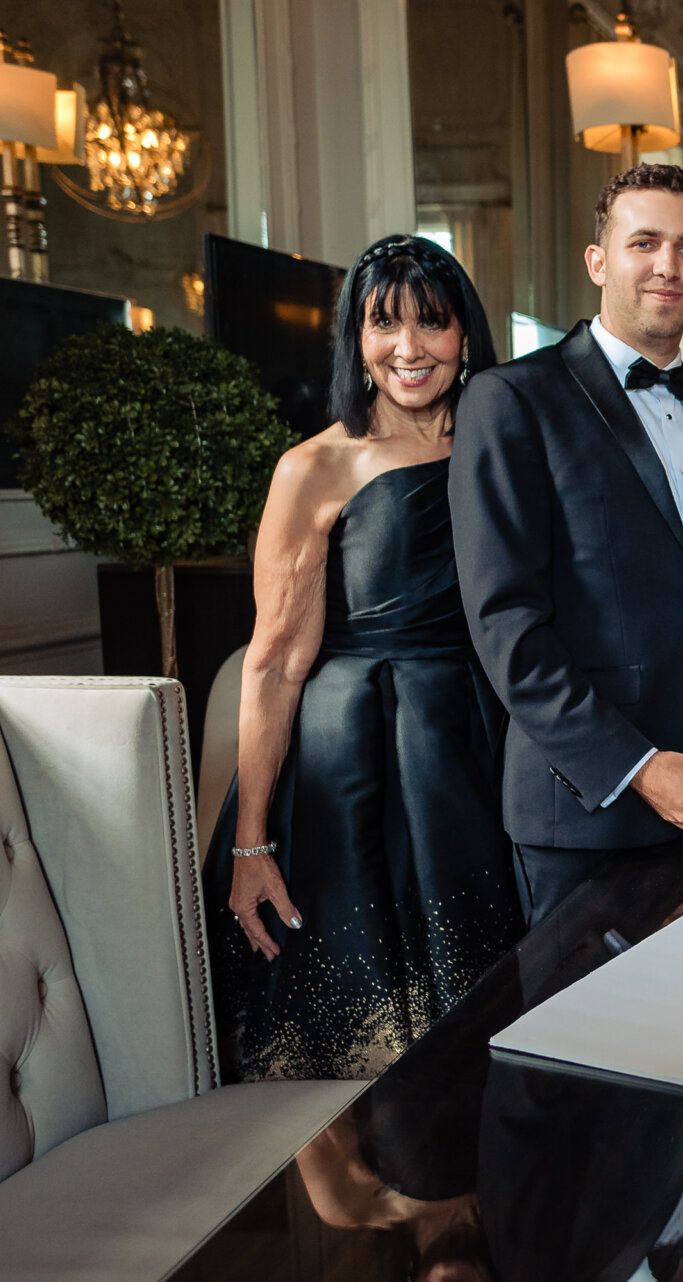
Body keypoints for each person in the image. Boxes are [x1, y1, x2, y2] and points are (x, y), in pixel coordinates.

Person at [205, 233, 523, 1082]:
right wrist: (250, 841)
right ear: (355, 337)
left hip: (488, 734)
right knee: (362, 1017)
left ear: (466, 336)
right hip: (359, 754)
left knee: (499, 997)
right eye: (385, 325)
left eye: (433, 323)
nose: (410, 349)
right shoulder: (314, 466)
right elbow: (272, 663)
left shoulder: (505, 444)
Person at [449, 164, 683, 926]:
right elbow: (506, 626)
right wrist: (634, 767)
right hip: (589, 814)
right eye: (646, 242)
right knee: (584, 1042)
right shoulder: (511, 401)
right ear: (599, 261)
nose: (669, 265)